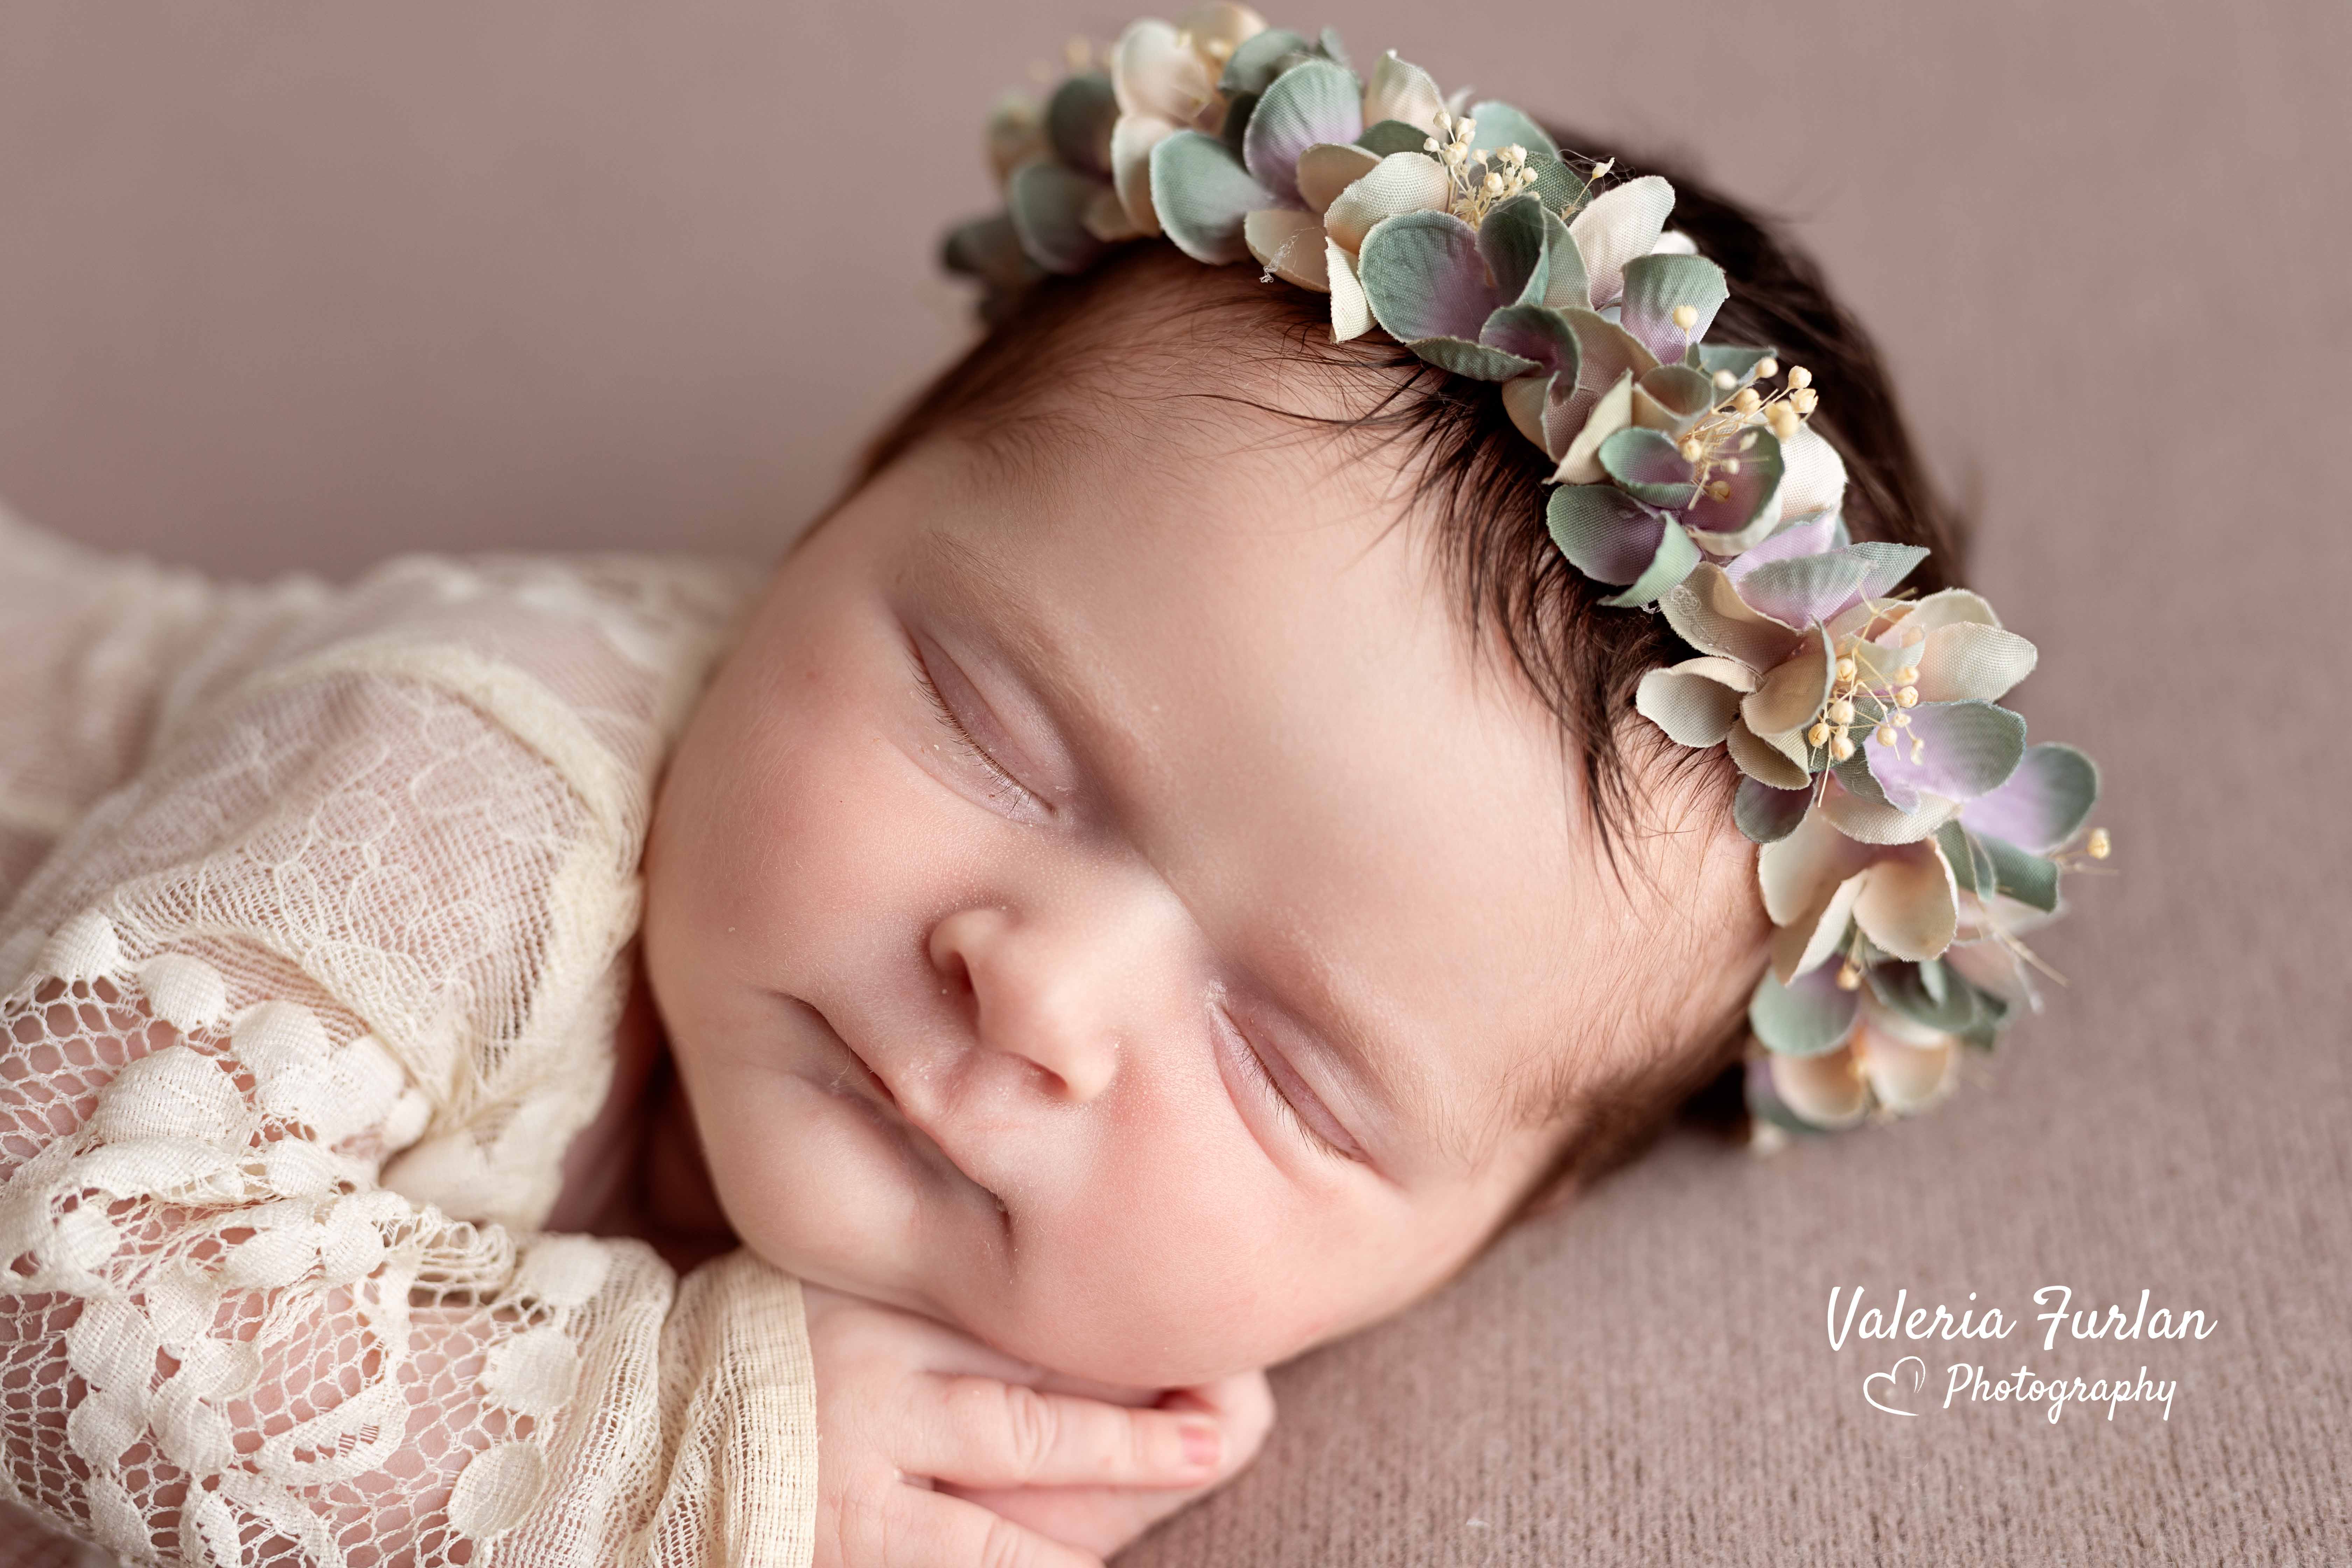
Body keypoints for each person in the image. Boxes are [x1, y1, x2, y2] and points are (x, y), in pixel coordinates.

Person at [0, 10, 2101, 1566]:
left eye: (1289, 1067)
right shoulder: (470, 777)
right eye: (996, 731)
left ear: (1472, 1242)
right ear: (847, 512)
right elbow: (49, 1260)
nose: (1035, 990)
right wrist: (680, 1448)